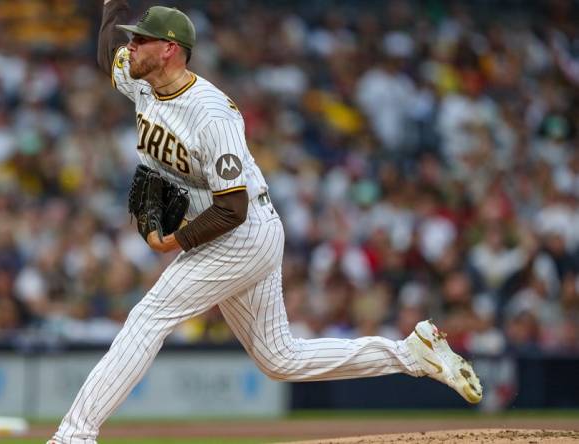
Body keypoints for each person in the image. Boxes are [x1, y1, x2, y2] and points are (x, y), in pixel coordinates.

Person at [49, 2, 482, 443]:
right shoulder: (141, 82)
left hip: (242, 231)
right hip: (230, 232)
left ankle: (74, 435)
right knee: (279, 358)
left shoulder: (212, 113)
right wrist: (113, 6)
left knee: (149, 317)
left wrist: (173, 242)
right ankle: (411, 353)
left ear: (169, 50)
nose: (131, 46)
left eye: (141, 39)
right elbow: (108, 56)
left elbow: (232, 206)